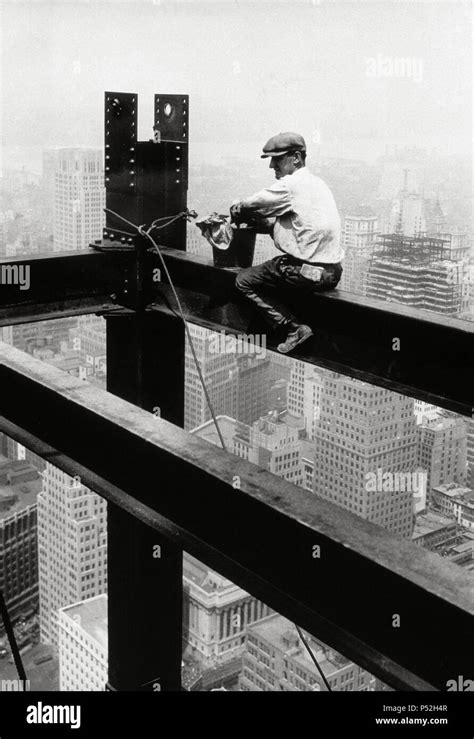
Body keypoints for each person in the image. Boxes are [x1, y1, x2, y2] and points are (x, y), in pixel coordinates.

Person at [231, 132, 343, 353]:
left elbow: (250, 204)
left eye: (277, 158)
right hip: (330, 274)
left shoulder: (291, 185)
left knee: (243, 280)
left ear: (297, 158)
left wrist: (237, 208)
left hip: (302, 274)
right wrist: (269, 226)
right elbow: (302, 232)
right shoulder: (317, 184)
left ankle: (293, 328)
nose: (272, 165)